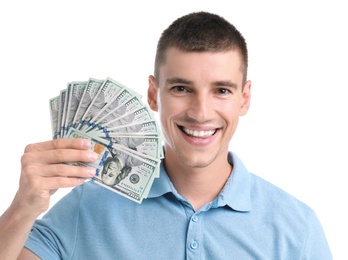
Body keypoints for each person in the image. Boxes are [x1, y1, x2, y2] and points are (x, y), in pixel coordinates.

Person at [0, 11, 332, 259]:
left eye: (221, 90)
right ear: (153, 94)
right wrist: (22, 207)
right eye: (181, 88)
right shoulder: (88, 206)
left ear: (244, 98)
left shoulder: (297, 230)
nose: (201, 112)